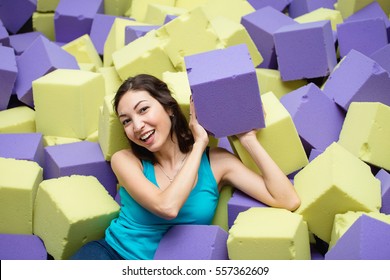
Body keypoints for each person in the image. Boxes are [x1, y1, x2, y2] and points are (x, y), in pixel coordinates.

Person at [71, 74, 300, 260]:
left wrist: (248, 140)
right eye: (126, 121)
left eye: (143, 110)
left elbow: (287, 200)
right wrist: (199, 142)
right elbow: (167, 206)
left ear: (169, 108)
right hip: (110, 256)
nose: (137, 126)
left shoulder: (218, 163)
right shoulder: (126, 160)